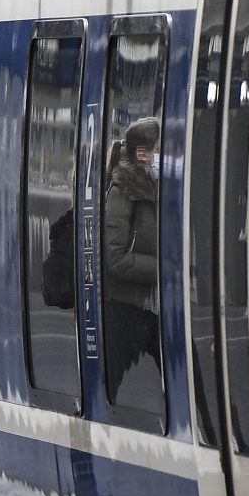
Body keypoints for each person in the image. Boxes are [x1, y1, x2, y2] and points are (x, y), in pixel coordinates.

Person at [102, 116, 162, 404]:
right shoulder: (122, 193)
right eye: (160, 150)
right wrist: (160, 269)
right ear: (143, 153)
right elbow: (114, 258)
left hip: (156, 309)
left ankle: (215, 435)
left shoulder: (154, 191)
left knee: (190, 376)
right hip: (126, 311)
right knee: (110, 388)